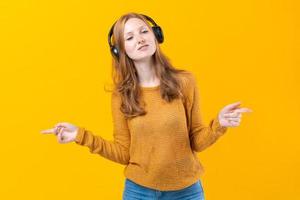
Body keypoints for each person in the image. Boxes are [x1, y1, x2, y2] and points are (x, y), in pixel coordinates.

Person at [41, 12, 252, 200]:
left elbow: (197, 140)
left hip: (187, 191)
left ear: (156, 36)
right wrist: (80, 135)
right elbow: (124, 153)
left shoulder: (185, 82)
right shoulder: (121, 96)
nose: (140, 39)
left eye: (144, 31)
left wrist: (219, 124)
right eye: (130, 37)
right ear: (119, 51)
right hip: (139, 191)